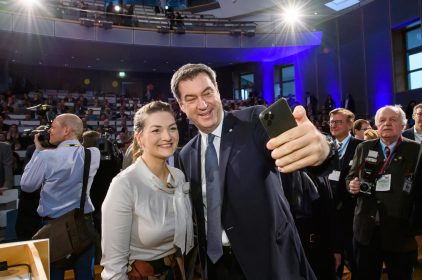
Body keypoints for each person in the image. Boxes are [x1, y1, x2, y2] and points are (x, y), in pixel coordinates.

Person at [170, 63, 337, 279]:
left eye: (207, 92)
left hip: (270, 263)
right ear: (181, 105)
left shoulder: (255, 120)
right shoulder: (186, 154)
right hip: (218, 268)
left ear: (218, 91)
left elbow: (301, 142)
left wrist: (323, 148)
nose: (202, 104)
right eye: (191, 99)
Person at [101, 101, 193, 279]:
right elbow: (114, 268)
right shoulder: (124, 185)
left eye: (172, 128)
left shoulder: (179, 176)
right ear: (139, 138)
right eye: (156, 130)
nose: (167, 136)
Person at [20, 113, 101, 280]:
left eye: (53, 127)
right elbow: (72, 157)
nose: (49, 130)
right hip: (84, 223)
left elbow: (27, 186)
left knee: (54, 275)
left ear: (66, 130)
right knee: (85, 274)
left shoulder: (45, 156)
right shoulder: (93, 154)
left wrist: (37, 151)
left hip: (54, 226)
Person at [347, 105, 422, 280]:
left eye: (393, 120)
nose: (386, 123)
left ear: (403, 125)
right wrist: (352, 185)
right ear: (376, 125)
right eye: (382, 120)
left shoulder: (416, 150)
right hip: (365, 232)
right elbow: (350, 177)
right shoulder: (363, 148)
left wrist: (416, 227)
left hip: (401, 234)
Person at [328, 108, 362, 279]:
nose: (333, 125)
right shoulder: (325, 147)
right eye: (331, 122)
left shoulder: (360, 146)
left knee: (356, 261)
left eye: (338, 122)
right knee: (333, 264)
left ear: (349, 124)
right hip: (330, 214)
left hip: (352, 213)